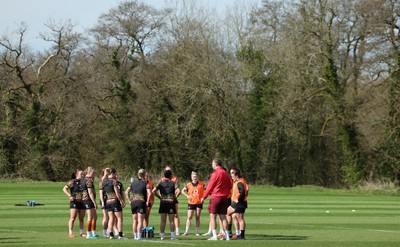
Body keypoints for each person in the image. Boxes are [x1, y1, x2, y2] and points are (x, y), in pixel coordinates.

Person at [201, 159, 232, 241]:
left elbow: (210, 186)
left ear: (215, 164)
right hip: (224, 197)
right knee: (223, 217)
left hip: (216, 197)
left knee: (212, 216)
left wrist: (204, 197)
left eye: (212, 163)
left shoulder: (215, 173)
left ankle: (214, 236)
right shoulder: (226, 173)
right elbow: (230, 185)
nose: (212, 165)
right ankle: (227, 236)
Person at [153, 169, 179, 240]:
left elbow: (153, 191)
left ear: (164, 175)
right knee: (171, 220)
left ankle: (162, 236)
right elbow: (178, 191)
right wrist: (174, 198)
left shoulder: (160, 183)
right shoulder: (173, 183)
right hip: (171, 202)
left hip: (163, 202)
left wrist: (159, 197)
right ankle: (173, 236)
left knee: (163, 220)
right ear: (170, 176)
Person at [125, 169, 151, 240]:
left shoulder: (133, 183)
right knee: (140, 220)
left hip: (133, 202)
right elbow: (149, 193)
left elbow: (126, 192)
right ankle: (139, 236)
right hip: (141, 202)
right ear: (144, 175)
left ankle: (135, 235)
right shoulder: (146, 183)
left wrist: (129, 200)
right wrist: (147, 201)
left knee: (134, 220)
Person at [101, 168, 126, 240]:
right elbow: (117, 193)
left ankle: (111, 235)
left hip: (108, 201)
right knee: (119, 218)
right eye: (115, 173)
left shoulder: (104, 182)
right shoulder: (114, 182)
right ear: (113, 173)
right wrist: (121, 200)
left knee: (111, 218)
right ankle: (120, 235)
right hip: (115, 201)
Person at [62, 169, 86, 238]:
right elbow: (64, 189)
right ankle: (70, 233)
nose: (82, 175)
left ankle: (82, 232)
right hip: (74, 202)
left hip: (82, 202)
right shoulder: (73, 181)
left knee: (81, 218)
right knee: (73, 217)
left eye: (83, 174)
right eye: (81, 174)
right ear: (76, 175)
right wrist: (70, 196)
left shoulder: (84, 182)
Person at [227, 168, 248, 240]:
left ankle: (242, 236)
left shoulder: (240, 182)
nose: (231, 175)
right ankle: (229, 233)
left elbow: (242, 192)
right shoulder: (237, 181)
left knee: (240, 219)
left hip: (240, 203)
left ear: (236, 175)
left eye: (232, 173)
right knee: (227, 213)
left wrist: (238, 199)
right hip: (235, 203)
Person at [181, 171, 205, 236]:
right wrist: (187, 196)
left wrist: (203, 197)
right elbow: (182, 191)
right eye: (193, 177)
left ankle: (196, 232)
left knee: (197, 217)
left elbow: (207, 190)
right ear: (191, 177)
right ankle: (186, 231)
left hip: (199, 202)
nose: (195, 178)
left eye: (196, 176)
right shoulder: (188, 185)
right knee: (189, 217)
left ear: (197, 177)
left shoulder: (201, 184)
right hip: (191, 203)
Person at [80, 166, 99, 239]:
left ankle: (94, 233)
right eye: (93, 172)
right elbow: (90, 193)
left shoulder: (83, 179)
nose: (93, 174)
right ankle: (88, 234)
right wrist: (94, 202)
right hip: (88, 200)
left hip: (85, 199)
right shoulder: (88, 181)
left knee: (95, 217)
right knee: (90, 217)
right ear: (89, 172)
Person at [164, 166, 181, 235]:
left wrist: (174, 197)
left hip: (172, 199)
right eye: (167, 170)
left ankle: (177, 230)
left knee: (175, 214)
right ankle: (163, 230)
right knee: (164, 215)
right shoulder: (163, 179)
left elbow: (178, 190)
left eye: (169, 170)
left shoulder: (175, 179)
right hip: (165, 199)